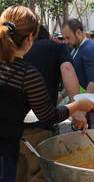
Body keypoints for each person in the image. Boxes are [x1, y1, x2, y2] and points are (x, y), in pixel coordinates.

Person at [0, 5, 94, 182]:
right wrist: (77, 106)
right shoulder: (26, 73)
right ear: (30, 37)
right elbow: (48, 115)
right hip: (19, 142)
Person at [15, 25, 82, 182]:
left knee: (15, 175)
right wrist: (77, 109)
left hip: (8, 129)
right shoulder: (55, 47)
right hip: (39, 128)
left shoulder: (8, 48)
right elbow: (67, 69)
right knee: (40, 174)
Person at [62, 18, 94, 129]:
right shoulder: (77, 48)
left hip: (92, 105)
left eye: (68, 38)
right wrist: (61, 96)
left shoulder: (89, 49)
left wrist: (82, 109)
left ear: (78, 32)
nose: (66, 41)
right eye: (64, 38)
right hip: (85, 103)